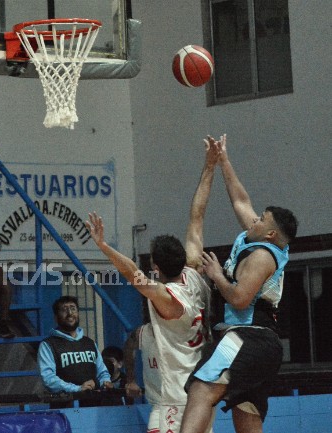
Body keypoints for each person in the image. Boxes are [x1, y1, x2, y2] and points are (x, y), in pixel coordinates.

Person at [85, 136, 220, 433]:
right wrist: (210, 166)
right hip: (195, 394)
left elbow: (133, 275)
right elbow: (197, 216)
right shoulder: (195, 274)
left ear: (156, 268)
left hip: (181, 400)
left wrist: (104, 246)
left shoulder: (168, 299)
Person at [181, 135, 299, 433]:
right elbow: (240, 199)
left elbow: (240, 299)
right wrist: (223, 160)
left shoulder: (261, 255)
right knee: (246, 417)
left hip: (247, 335)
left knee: (201, 388)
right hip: (261, 342)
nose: (255, 219)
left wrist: (217, 274)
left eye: (261, 219)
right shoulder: (259, 238)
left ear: (270, 234)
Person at [37, 295, 113, 407]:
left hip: (96, 407)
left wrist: (105, 382)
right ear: (56, 317)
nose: (70, 313)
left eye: (73, 308)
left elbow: (103, 372)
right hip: (64, 409)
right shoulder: (48, 345)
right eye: (64, 309)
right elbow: (49, 379)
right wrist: (77, 389)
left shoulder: (90, 343)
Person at [123, 323, 163, 432]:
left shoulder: (183, 331)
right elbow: (128, 347)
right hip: (159, 405)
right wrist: (131, 380)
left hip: (187, 404)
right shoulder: (143, 332)